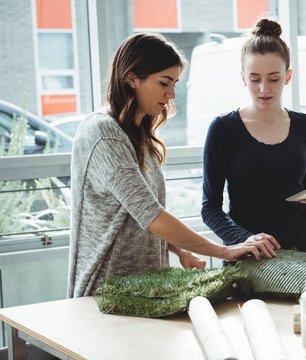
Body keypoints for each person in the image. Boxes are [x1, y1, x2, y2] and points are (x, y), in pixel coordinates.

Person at [67, 33, 277, 298]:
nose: (171, 93)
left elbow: (136, 216)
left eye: (175, 83)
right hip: (104, 294)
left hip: (147, 290)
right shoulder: (103, 133)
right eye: (164, 83)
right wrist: (225, 251)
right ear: (132, 79)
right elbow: (151, 215)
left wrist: (180, 250)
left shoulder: (137, 135)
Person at [201, 18, 306, 254]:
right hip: (247, 257)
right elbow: (210, 209)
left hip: (303, 254)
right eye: (255, 78)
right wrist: (246, 239)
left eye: (273, 78)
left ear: (288, 77)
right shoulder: (223, 129)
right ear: (243, 78)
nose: (263, 88)